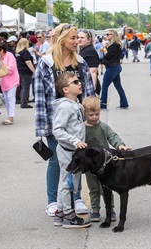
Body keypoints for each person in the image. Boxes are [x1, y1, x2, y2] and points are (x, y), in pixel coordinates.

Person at [34, 23, 95, 217]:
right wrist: (44, 127)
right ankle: (53, 201)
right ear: (61, 40)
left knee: (78, 159)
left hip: (77, 121)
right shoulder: (46, 63)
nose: (77, 41)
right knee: (54, 161)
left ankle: (75, 198)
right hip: (57, 121)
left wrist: (91, 116)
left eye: (78, 38)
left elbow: (89, 91)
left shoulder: (80, 62)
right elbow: (40, 96)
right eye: (73, 38)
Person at [52, 72, 91, 229]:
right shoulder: (65, 107)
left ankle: (60, 213)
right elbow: (58, 130)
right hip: (68, 152)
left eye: (79, 80)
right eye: (75, 82)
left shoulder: (76, 104)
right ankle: (69, 217)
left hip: (73, 152)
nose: (79, 83)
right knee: (69, 184)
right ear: (66, 89)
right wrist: (75, 141)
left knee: (67, 182)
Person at [82, 96, 131, 222]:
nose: (94, 117)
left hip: (105, 164)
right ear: (84, 114)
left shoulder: (103, 127)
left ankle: (111, 209)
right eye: (91, 114)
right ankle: (95, 210)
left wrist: (120, 145)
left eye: (97, 114)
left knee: (107, 188)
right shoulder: (81, 129)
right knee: (93, 187)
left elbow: (112, 136)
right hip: (90, 165)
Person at [100, 30, 129, 110]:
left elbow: (108, 56)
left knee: (105, 86)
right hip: (116, 66)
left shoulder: (114, 46)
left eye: (108, 34)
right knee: (118, 86)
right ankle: (124, 103)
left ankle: (103, 105)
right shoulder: (116, 45)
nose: (107, 35)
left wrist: (105, 49)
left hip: (112, 67)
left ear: (113, 36)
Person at [0, 43, 19, 125]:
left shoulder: (10, 55)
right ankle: (9, 116)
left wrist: (2, 69)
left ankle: (11, 117)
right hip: (3, 82)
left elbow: (12, 68)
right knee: (6, 99)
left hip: (12, 80)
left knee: (10, 98)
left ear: (2, 50)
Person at [15, 38, 35, 109]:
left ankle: (23, 100)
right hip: (26, 71)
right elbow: (28, 62)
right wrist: (34, 70)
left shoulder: (17, 52)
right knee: (26, 87)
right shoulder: (25, 52)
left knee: (23, 87)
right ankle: (24, 102)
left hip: (20, 71)